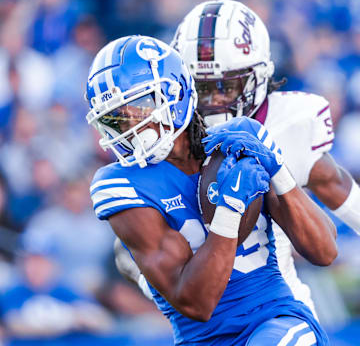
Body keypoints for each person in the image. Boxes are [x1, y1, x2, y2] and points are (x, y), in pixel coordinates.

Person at [85, 35, 336, 345]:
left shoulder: (241, 138)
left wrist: (280, 173)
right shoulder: (121, 184)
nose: (131, 128)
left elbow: (324, 252)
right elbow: (196, 304)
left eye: (139, 107)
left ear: (174, 93)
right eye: (117, 119)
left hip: (274, 320)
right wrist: (230, 212)